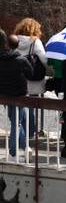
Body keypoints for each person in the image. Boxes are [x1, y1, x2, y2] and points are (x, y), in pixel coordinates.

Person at [0, 29, 35, 159]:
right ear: (17, 46)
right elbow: (30, 75)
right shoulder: (21, 60)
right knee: (17, 123)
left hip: (5, 95)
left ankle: (25, 148)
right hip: (20, 95)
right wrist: (31, 62)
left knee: (16, 122)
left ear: (6, 45)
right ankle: (13, 152)